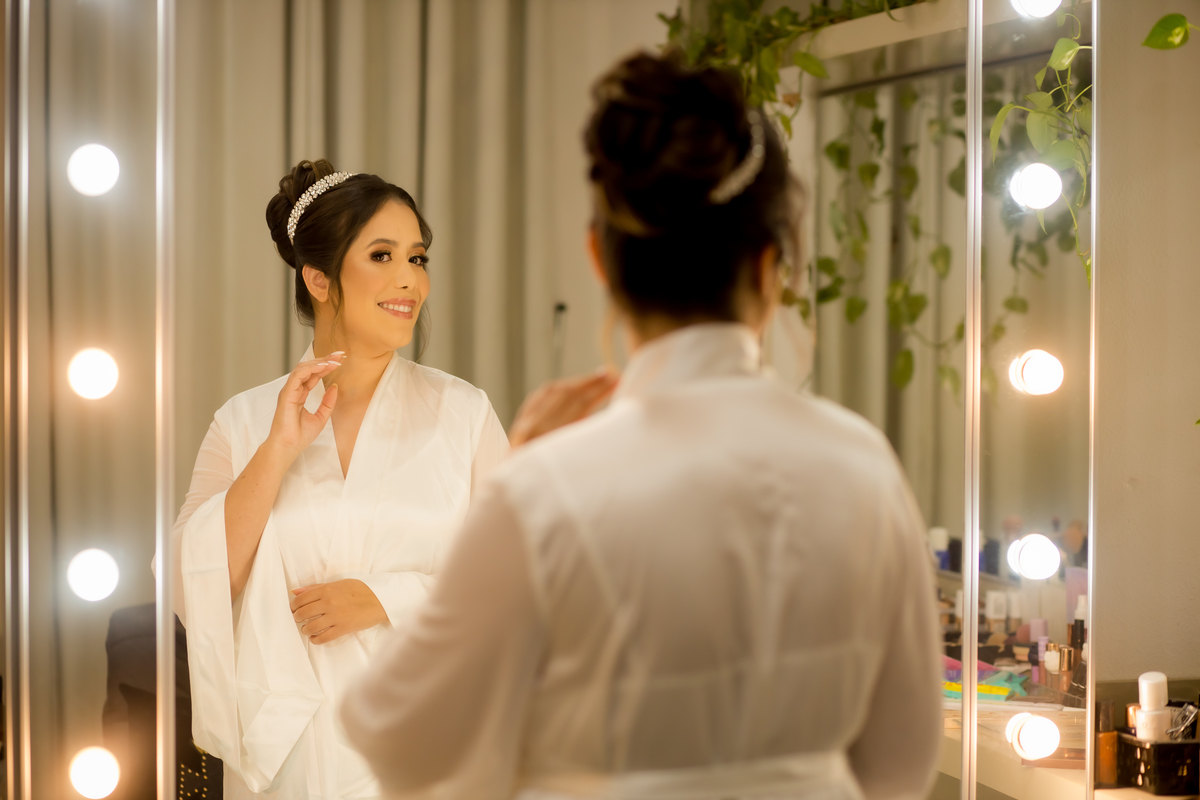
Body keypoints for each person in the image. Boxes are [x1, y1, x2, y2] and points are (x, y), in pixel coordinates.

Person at [341, 52, 942, 800]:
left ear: (601, 258)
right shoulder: (863, 464)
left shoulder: (545, 489)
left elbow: (398, 734)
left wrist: (511, 481)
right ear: (771, 267)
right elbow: (903, 761)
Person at [171, 160, 510, 799]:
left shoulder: (464, 414)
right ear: (319, 278)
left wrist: (386, 598)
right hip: (290, 762)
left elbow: (522, 582)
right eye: (382, 256)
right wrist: (277, 450)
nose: (410, 279)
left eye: (418, 258)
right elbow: (196, 589)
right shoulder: (243, 422)